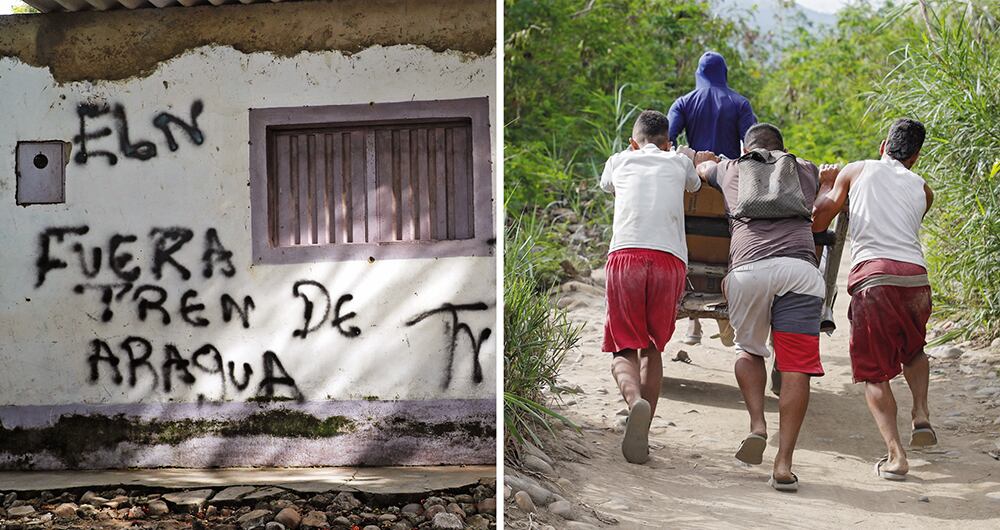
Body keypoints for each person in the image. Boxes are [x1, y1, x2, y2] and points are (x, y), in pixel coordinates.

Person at [694, 123, 825, 492]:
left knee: (748, 350)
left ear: (746, 148)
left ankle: (757, 425)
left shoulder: (731, 168)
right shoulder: (804, 169)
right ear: (783, 149)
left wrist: (707, 161)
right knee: (797, 366)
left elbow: (701, 170)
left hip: (748, 270)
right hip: (800, 271)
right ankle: (784, 465)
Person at [812, 118, 936, 481]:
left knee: (875, 373)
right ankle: (922, 413)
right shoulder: (923, 188)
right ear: (914, 157)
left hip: (874, 280)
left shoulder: (856, 170)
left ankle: (896, 456)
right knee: (913, 350)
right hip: (916, 280)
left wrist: (827, 184)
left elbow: (820, 221)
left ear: (883, 145)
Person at [600, 110, 712, 464]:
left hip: (626, 257)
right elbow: (696, 185)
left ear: (633, 142)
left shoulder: (619, 160)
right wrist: (683, 156)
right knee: (651, 348)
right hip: (668, 262)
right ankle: (643, 436)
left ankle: (635, 404)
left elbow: (608, 187)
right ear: (667, 142)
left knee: (623, 348)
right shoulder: (678, 162)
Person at [668, 51, 758, 345]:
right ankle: (724, 312)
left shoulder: (684, 102)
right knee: (725, 246)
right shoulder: (739, 103)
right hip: (727, 185)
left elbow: (666, 137)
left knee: (691, 243)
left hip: (692, 187)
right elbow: (753, 144)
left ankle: (693, 325)